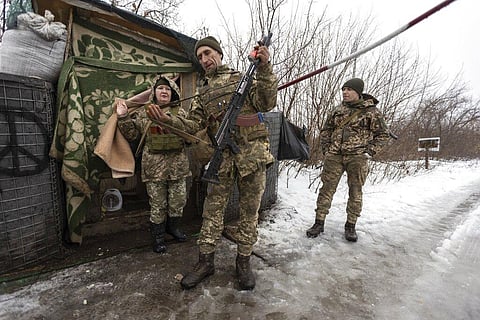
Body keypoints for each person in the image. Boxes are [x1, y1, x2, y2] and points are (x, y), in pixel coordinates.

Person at [180, 36, 278, 290]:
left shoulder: (241, 78)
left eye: (208, 53)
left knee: (249, 213)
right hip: (222, 158)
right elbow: (193, 125)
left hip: (252, 155)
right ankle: (205, 262)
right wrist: (168, 121)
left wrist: (265, 67)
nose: (204, 59)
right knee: (212, 211)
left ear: (219, 54)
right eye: (200, 56)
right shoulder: (203, 93)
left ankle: (243, 262)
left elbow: (267, 102)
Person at [116, 75, 196, 253]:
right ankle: (158, 237)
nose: (164, 91)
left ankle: (173, 228)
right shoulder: (145, 113)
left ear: (173, 92)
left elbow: (191, 133)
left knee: (178, 202)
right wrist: (123, 117)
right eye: (160, 88)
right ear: (154, 92)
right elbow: (132, 135)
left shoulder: (180, 113)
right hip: (154, 169)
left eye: (167, 89)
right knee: (158, 205)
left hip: (178, 168)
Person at [306, 78, 390, 242]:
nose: (345, 92)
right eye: (343, 89)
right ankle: (319, 222)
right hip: (334, 156)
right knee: (326, 189)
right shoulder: (338, 110)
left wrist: (369, 152)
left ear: (358, 92)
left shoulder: (372, 112)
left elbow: (383, 135)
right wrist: (327, 149)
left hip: (357, 158)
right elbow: (326, 130)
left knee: (355, 191)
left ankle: (350, 225)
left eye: (349, 89)